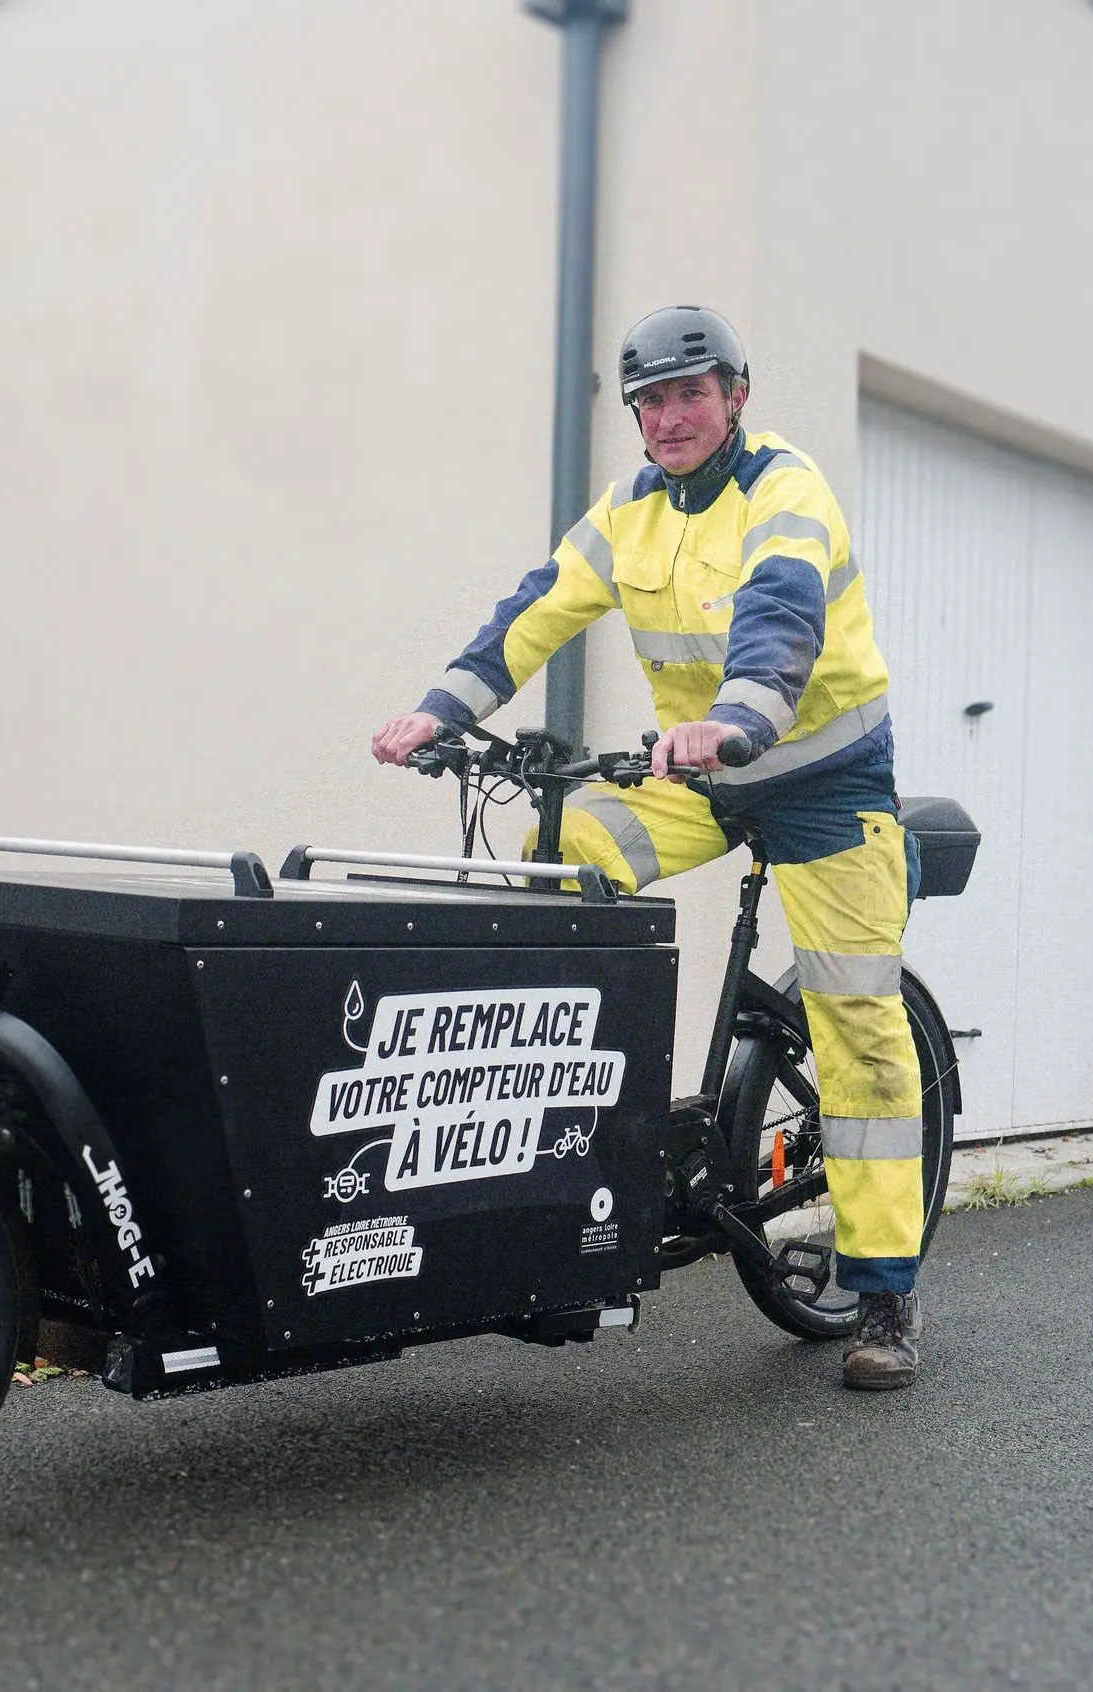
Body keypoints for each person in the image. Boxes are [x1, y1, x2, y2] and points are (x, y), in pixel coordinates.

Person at [372, 305, 925, 1391]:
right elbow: (534, 611)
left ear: (737, 395)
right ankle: (589, 1140)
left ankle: (885, 1292)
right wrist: (443, 709)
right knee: (562, 851)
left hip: (819, 780)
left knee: (857, 1023)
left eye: (690, 394)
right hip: (701, 774)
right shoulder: (628, 511)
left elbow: (780, 615)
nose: (669, 418)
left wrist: (739, 719)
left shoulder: (786, 491)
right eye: (651, 402)